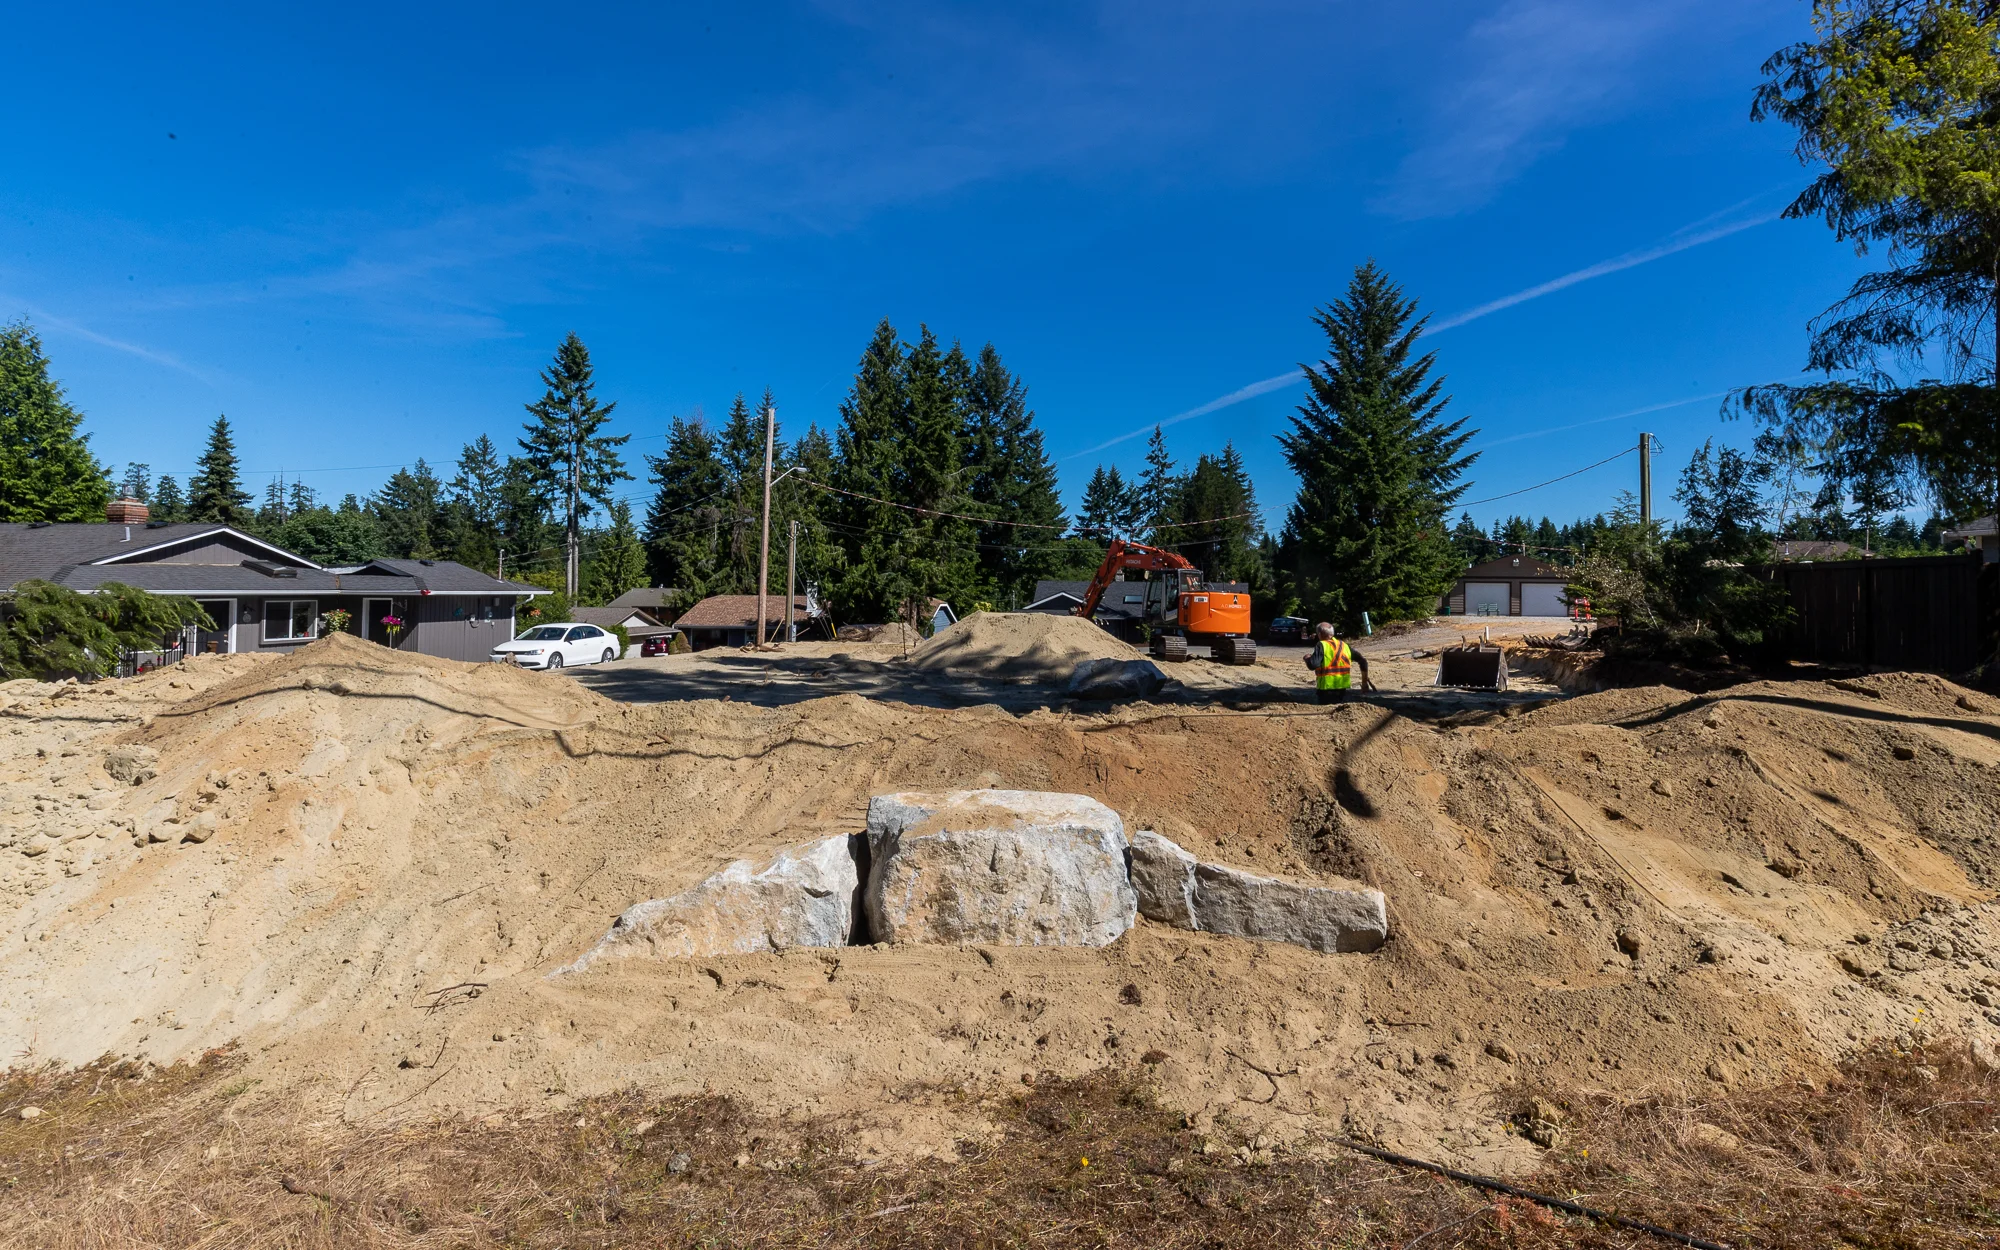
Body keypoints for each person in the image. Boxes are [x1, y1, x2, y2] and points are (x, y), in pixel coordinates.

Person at [1306, 622, 1370, 704]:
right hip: (1342, 687)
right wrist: (1364, 683)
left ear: (1320, 634)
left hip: (1326, 688)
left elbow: (1313, 665)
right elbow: (1363, 661)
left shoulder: (1321, 645)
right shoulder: (1344, 645)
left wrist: (1307, 659)